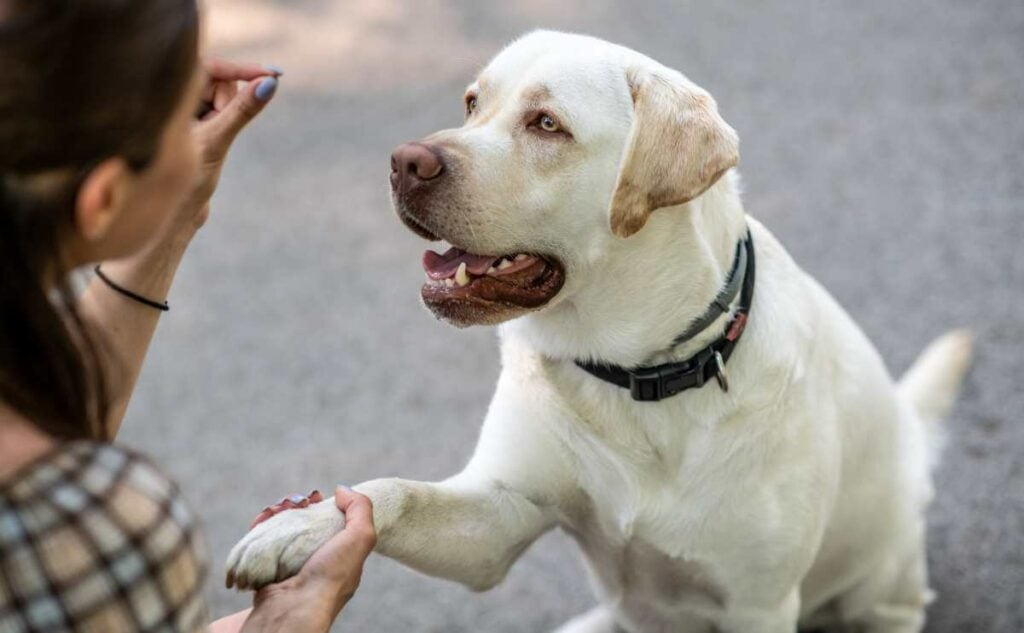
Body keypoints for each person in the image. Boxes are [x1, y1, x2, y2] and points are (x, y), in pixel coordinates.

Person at [0, 1, 375, 631]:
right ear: (104, 197)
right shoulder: (84, 532)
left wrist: (173, 215)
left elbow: (51, 423)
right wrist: (288, 621)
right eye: (179, 113)